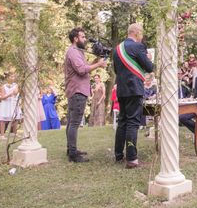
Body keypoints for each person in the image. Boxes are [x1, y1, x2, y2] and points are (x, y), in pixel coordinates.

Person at [112, 23, 153, 168]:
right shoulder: (138, 47)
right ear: (136, 33)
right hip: (134, 89)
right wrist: (148, 58)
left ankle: (118, 154)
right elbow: (149, 67)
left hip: (122, 90)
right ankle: (131, 158)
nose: (142, 37)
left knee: (122, 121)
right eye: (141, 34)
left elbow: (116, 70)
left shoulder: (117, 49)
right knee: (133, 123)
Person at [64, 27, 107, 163]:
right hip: (77, 91)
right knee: (74, 123)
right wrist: (99, 64)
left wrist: (96, 63)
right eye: (82, 37)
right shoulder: (73, 52)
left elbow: (85, 67)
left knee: (72, 122)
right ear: (75, 39)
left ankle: (71, 149)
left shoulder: (77, 52)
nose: (84, 39)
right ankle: (73, 154)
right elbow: (82, 70)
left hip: (77, 90)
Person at [0, 73, 21, 140]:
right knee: (3, 119)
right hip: (5, 104)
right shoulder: (3, 86)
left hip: (13, 103)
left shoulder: (16, 85)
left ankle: (14, 133)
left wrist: (15, 93)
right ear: (8, 78)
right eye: (11, 76)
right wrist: (9, 95)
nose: (13, 78)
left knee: (15, 118)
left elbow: (16, 93)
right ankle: (2, 135)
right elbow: (3, 97)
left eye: (13, 76)